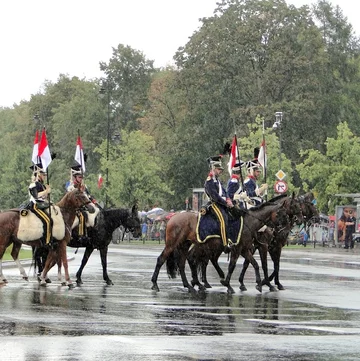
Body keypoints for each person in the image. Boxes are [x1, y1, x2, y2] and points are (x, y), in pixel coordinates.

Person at [204, 155, 234, 250]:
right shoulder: (209, 182)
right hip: (214, 204)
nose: (220, 171)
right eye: (218, 169)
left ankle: (230, 237)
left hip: (223, 204)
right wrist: (226, 203)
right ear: (213, 168)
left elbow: (224, 192)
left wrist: (228, 199)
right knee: (222, 219)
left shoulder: (217, 180)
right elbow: (215, 197)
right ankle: (225, 244)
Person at [66, 164, 96, 242]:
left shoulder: (84, 186)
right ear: (75, 177)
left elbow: (88, 195)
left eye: (82, 177)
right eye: (79, 177)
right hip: (73, 208)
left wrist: (93, 200)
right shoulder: (71, 187)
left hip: (83, 206)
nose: (81, 179)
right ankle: (81, 235)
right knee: (82, 216)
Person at [28, 162, 53, 246]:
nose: (45, 176)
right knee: (47, 220)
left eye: (45, 175)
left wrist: (47, 193)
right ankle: (47, 241)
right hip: (35, 205)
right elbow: (36, 196)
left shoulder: (42, 185)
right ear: (38, 174)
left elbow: (44, 198)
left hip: (42, 205)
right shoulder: (33, 184)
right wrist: (46, 191)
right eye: (43, 174)